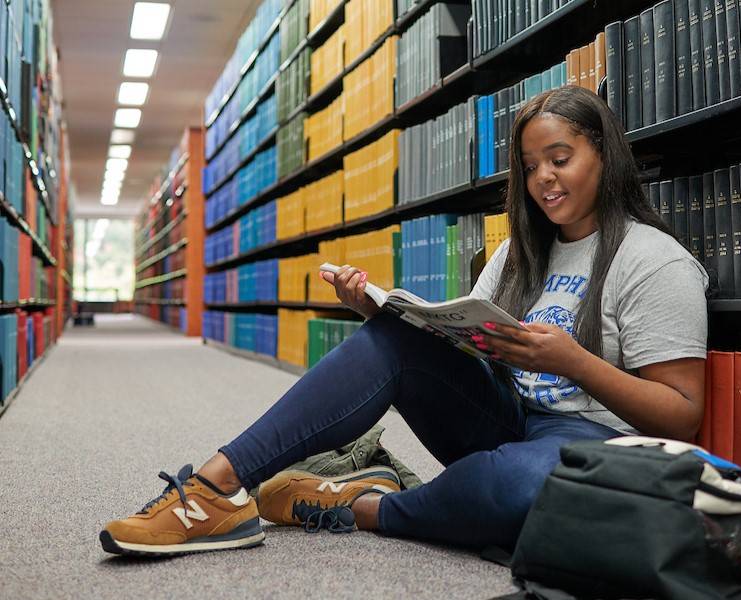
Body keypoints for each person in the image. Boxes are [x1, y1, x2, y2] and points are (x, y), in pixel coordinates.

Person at [99, 85, 708, 557]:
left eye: (560, 159)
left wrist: (573, 362)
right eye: (530, 166)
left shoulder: (654, 261)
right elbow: (470, 344)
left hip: (593, 442)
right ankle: (215, 489)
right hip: (510, 417)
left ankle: (362, 505)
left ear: (604, 155)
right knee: (393, 336)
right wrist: (385, 315)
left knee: (525, 490)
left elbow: (681, 415)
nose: (543, 178)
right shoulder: (519, 253)